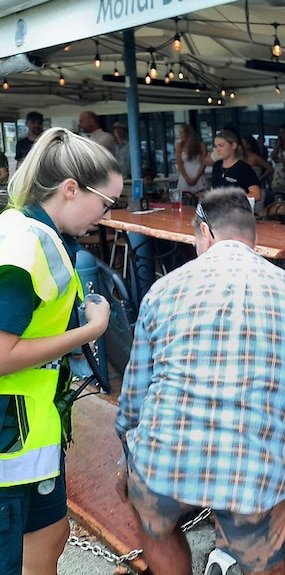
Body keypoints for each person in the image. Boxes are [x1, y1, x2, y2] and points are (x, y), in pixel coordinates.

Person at [115, 187, 285, 575]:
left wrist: (127, 451)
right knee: (266, 556)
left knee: (154, 522)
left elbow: (134, 399)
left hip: (163, 458)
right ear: (253, 236)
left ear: (206, 232)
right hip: (256, 469)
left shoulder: (162, 290)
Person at [0, 127, 116, 575]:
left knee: (51, 534)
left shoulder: (29, 230)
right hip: (11, 440)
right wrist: (91, 330)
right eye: (105, 203)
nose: (105, 216)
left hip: (33, 432)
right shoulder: (26, 245)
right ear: (71, 189)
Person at [211, 130, 262, 206]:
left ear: (233, 145)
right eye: (216, 146)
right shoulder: (217, 166)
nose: (218, 149)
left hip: (237, 212)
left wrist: (232, 200)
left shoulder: (244, 169)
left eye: (221, 145)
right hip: (217, 211)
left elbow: (256, 194)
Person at [175, 124, 208, 196]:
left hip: (199, 176)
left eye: (182, 133)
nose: (180, 135)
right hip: (185, 177)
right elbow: (179, 163)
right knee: (185, 201)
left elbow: (203, 163)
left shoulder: (201, 145)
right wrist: (187, 179)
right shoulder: (179, 145)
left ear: (188, 133)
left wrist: (196, 178)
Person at [241, 135, 274, 201]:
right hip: (244, 189)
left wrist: (259, 178)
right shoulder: (240, 157)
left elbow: (269, 168)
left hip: (256, 188)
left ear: (249, 145)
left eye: (243, 143)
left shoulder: (255, 157)